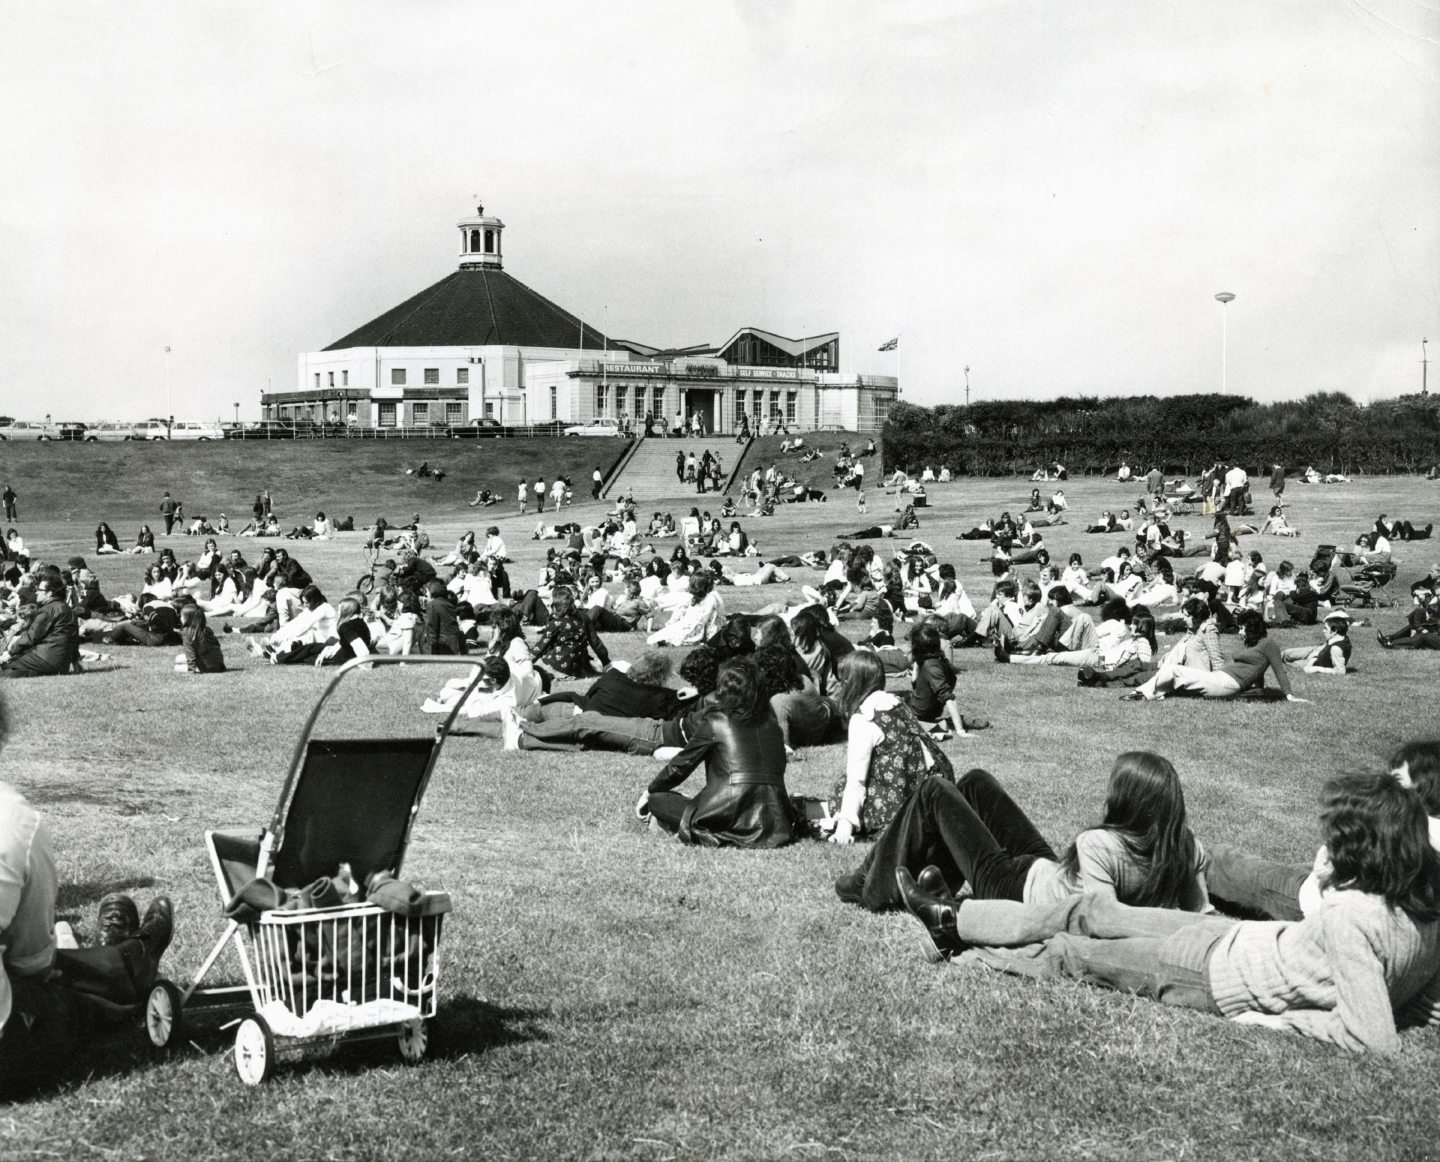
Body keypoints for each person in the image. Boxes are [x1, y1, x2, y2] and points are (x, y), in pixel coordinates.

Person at [904, 771, 1440, 1056]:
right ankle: (958, 914)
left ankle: (958, 938)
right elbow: (1416, 999)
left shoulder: (1352, 916)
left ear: (1364, 852)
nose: (1321, 855)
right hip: (1227, 936)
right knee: (1092, 907)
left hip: (1207, 974)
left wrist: (1278, 1021)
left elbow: (1372, 1038)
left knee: (1073, 954)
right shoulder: (1422, 912)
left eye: (1332, 846)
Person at [838, 751, 1209, 916]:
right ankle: (912, 879)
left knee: (935, 790)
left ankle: (869, 883)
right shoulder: (1184, 846)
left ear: (1126, 802)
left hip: (1011, 888)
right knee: (974, 783)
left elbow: (1100, 919)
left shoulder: (1099, 844)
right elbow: (1202, 914)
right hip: (1047, 871)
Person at [0, 757, 175, 1095]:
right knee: (69, 1005)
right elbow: (31, 963)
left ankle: (120, 960)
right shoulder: (12, 820)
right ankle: (124, 967)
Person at [635, 657, 797, 848]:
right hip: (775, 819)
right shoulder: (772, 725)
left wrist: (649, 791)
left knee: (659, 800)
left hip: (724, 817)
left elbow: (680, 766)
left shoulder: (715, 721)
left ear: (723, 688)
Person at [1123, 610, 1306, 702]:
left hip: (1226, 683)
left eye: (1242, 627)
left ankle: (1140, 694)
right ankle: (1150, 693)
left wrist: (1289, 696)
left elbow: (1279, 670)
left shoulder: (1269, 644)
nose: (1239, 631)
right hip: (1221, 678)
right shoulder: (1257, 644)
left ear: (1252, 628)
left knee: (1173, 670)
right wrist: (1258, 690)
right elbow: (1256, 671)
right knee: (1178, 676)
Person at [1, 576, 80, 677]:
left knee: (5, 666)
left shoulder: (47, 610)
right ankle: (35, 672)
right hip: (63, 666)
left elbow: (31, 637)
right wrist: (75, 660)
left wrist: (9, 654)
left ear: (49, 593)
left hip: (45, 658)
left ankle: (28, 672)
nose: (36, 592)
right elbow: (74, 637)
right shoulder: (69, 610)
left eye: (39, 590)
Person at [1281, 608, 1354, 673]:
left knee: (1289, 664)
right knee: (1286, 653)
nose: (1323, 631)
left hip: (1315, 662)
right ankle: (1272, 657)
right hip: (1317, 651)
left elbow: (1340, 671)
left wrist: (1314, 668)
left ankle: (1273, 659)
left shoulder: (1336, 648)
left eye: (1325, 628)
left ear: (1334, 631)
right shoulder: (1340, 637)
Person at [179, 605, 226, 673]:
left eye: (182, 616)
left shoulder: (187, 633)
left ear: (188, 618)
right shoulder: (207, 630)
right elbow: (217, 646)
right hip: (219, 666)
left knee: (177, 664)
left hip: (206, 668)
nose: (180, 618)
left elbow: (190, 653)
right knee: (180, 659)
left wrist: (191, 670)